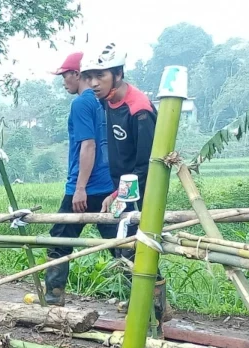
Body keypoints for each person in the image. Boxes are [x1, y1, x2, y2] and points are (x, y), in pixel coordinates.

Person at [81, 42, 166, 320]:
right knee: (125, 244)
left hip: (143, 188)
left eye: (100, 76)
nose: (93, 83)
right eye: (89, 77)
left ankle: (156, 308)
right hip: (124, 187)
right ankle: (143, 303)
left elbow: (146, 165)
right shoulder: (107, 102)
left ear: (117, 74)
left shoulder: (139, 109)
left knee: (138, 243)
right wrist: (116, 191)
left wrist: (122, 193)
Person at [32, 52, 116, 306]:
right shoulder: (103, 101)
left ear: (78, 74)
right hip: (108, 187)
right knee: (121, 243)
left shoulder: (81, 103)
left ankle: (53, 297)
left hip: (85, 186)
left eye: (65, 75)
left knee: (59, 240)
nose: (63, 81)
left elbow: (88, 146)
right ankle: (151, 302)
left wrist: (80, 188)